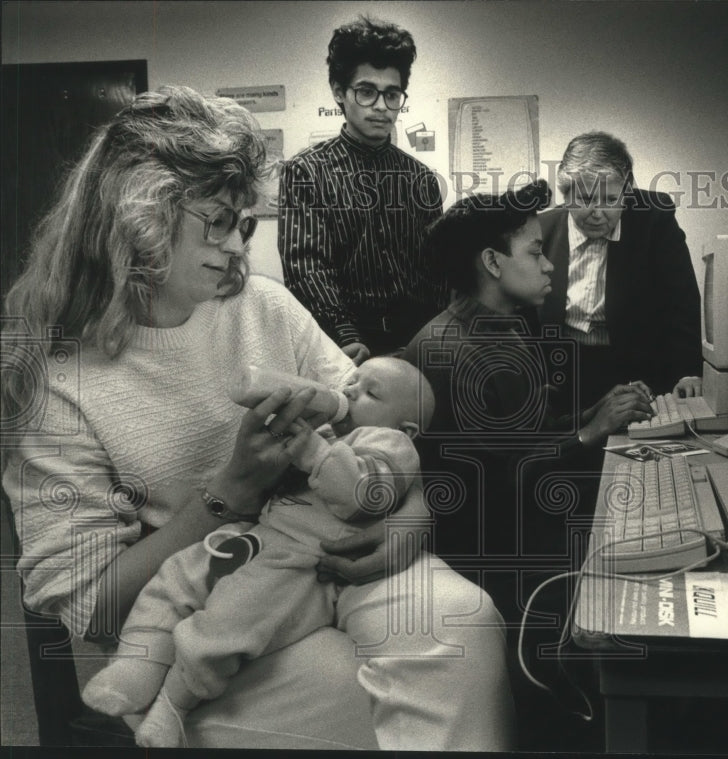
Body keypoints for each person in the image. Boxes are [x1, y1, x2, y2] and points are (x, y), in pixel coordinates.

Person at [0, 85, 512, 751]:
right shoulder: (60, 380)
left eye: (244, 223)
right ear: (140, 217)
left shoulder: (263, 307)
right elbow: (87, 606)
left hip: (311, 569)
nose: (237, 248)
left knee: (466, 621)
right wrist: (229, 492)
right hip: (188, 620)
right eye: (215, 221)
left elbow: (379, 431)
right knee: (350, 686)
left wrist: (412, 521)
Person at [81, 358, 435, 748]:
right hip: (261, 534)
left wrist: (315, 452)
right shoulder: (335, 434)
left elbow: (363, 496)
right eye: (353, 380)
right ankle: (139, 661)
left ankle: (174, 701)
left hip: (301, 561)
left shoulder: (389, 443)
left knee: (234, 617)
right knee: (179, 573)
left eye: (370, 392)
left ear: (407, 429)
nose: (349, 391)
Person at [403, 179, 653, 609]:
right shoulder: (452, 352)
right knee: (638, 571)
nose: (549, 265)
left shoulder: (503, 327)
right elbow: (502, 482)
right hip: (491, 559)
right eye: (535, 253)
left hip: (516, 530)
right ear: (493, 263)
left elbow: (526, 434)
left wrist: (600, 410)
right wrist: (589, 434)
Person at [279, 15, 446, 362]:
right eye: (367, 92)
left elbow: (438, 269)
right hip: (345, 347)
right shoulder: (306, 171)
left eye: (392, 94)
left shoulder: (421, 178)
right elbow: (306, 267)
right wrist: (344, 335)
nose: (382, 107)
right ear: (339, 93)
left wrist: (434, 333)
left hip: (418, 341)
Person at [539, 131, 703, 411]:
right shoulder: (542, 229)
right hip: (560, 372)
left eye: (610, 199)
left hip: (637, 372)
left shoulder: (654, 219)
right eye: (586, 199)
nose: (597, 212)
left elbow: (681, 301)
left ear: (626, 193)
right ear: (566, 195)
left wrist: (687, 371)